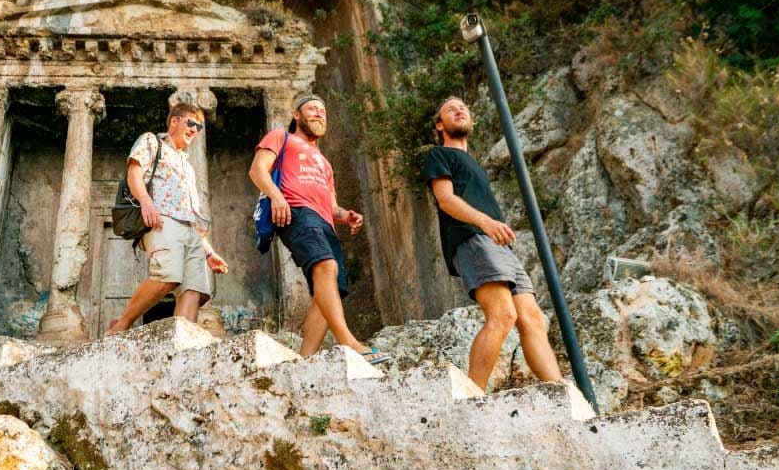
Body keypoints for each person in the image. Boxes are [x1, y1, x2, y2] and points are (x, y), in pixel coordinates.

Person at [424, 96, 563, 390]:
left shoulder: (473, 163)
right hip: (472, 237)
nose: (460, 109)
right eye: (450, 109)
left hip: (498, 246)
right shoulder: (439, 155)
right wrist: (484, 222)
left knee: (533, 319)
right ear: (440, 124)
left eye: (464, 106)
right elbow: (445, 200)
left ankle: (561, 392)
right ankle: (473, 395)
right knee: (502, 315)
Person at [249, 95, 391, 365]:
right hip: (295, 212)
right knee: (326, 267)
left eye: (323, 111)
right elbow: (258, 170)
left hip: (324, 223)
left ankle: (305, 360)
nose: (319, 114)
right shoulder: (281, 137)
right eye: (312, 109)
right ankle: (349, 341)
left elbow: (332, 204)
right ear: (297, 115)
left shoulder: (324, 163)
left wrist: (344, 215)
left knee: (328, 291)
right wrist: (277, 197)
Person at [106, 102, 229, 334]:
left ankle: (182, 344)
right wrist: (146, 202)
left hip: (190, 231)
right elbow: (134, 172)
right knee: (168, 276)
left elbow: (190, 215)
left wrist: (209, 253)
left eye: (199, 127)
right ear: (175, 121)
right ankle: (121, 324)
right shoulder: (152, 142)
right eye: (190, 123)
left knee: (194, 289)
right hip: (162, 220)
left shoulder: (188, 165)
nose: (194, 129)